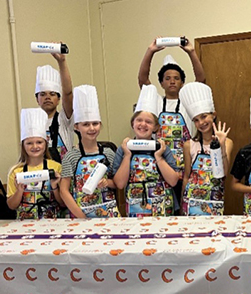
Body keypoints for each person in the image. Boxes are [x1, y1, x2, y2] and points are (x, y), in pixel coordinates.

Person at [138, 37, 206, 209]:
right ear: (161, 82)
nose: (172, 81)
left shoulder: (187, 103)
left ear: (182, 82)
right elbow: (142, 79)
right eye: (167, 78)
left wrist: (191, 52)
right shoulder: (155, 102)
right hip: (160, 164)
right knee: (164, 207)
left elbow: (201, 80)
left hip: (186, 165)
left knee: (184, 207)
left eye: (176, 78)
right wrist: (150, 51)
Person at [113, 84, 179, 217]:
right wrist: (127, 156)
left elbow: (173, 181)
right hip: (135, 207)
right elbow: (120, 184)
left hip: (163, 207)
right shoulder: (124, 149)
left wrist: (159, 158)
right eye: (139, 120)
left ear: (156, 127)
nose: (143, 125)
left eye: (148, 122)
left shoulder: (163, 148)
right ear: (133, 123)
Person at [60, 85, 120, 218]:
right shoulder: (70, 157)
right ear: (77, 126)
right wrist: (81, 216)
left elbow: (118, 183)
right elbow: (64, 191)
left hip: (108, 212)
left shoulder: (109, 152)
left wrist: (107, 183)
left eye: (95, 123)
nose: (92, 128)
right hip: (81, 212)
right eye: (86, 124)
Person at [179, 82, 233, 216]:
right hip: (191, 201)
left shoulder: (227, 142)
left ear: (213, 115)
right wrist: (182, 205)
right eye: (196, 120)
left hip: (214, 201)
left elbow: (225, 174)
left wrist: (221, 147)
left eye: (204, 116)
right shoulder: (189, 145)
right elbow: (186, 176)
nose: (201, 123)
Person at [7, 108, 64, 219]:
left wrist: (54, 186)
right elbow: (11, 206)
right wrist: (19, 191)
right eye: (29, 143)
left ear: (45, 144)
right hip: (24, 223)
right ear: (23, 145)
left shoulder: (56, 167)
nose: (35, 147)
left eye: (39, 142)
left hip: (53, 222)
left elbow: (63, 203)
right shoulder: (16, 172)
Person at [35, 51, 74, 163]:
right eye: (43, 94)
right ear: (37, 99)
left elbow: (68, 93)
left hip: (65, 176)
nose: (47, 97)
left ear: (59, 99)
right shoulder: (33, 123)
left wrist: (62, 62)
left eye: (52, 94)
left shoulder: (65, 119)